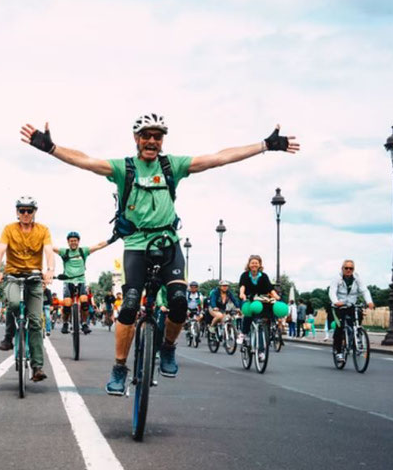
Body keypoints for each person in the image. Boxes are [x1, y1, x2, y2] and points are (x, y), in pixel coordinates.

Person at [20, 113, 299, 393]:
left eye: (158, 136)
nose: (152, 140)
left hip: (168, 243)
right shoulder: (124, 168)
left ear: (163, 140)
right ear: (136, 139)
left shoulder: (172, 166)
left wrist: (265, 145)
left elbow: (218, 158)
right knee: (129, 305)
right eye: (146, 135)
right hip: (136, 245)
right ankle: (119, 368)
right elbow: (86, 161)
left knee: (178, 301)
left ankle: (167, 347)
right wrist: (52, 149)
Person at [0, 196, 54, 382]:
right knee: (12, 304)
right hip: (12, 275)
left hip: (34, 278)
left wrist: (50, 270)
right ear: (17, 212)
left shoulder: (43, 230)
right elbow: (0, 251)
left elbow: (49, 252)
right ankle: (8, 336)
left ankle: (37, 367)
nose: (26, 214)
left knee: (35, 321)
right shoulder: (9, 229)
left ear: (35, 212)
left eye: (29, 210)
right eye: (22, 211)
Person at [53, 232, 109, 335]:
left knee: (84, 302)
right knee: (67, 304)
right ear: (68, 242)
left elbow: (98, 246)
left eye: (75, 240)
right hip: (68, 281)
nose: (73, 242)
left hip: (81, 280)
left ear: (78, 241)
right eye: (71, 241)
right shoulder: (64, 252)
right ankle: (65, 323)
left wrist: (111, 240)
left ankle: (84, 324)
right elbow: (50, 247)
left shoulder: (83, 251)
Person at [328, 259, 374, 364]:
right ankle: (339, 351)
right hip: (339, 306)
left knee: (358, 318)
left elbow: (364, 290)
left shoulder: (357, 279)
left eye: (351, 268)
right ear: (342, 268)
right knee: (339, 327)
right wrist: (336, 302)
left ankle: (357, 336)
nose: (349, 270)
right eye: (346, 268)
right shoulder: (337, 279)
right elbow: (332, 291)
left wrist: (369, 302)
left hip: (352, 305)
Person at [237, 255, 280, 354]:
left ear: (260, 264)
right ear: (249, 264)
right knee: (248, 314)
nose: (254, 265)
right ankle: (243, 333)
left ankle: (261, 351)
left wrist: (276, 297)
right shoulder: (245, 275)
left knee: (260, 324)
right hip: (248, 298)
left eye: (256, 263)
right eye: (252, 263)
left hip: (261, 300)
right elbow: (242, 287)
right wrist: (242, 294)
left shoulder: (264, 276)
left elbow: (270, 289)